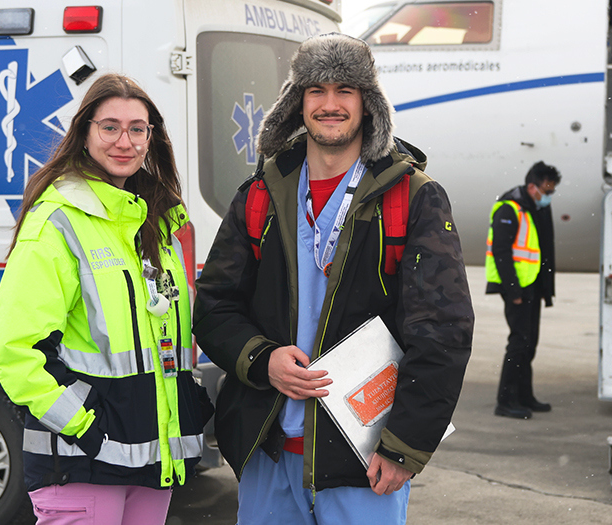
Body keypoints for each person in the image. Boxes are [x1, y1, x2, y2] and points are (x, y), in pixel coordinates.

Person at [192, 33, 473, 524]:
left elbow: (443, 333)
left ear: (368, 103)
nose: (330, 104)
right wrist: (262, 359)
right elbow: (215, 305)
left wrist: (404, 447)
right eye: (315, 90)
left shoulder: (414, 197)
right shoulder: (261, 193)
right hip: (270, 452)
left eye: (345, 90)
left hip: (363, 459)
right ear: (296, 103)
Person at [0, 74, 212, 524]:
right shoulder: (58, 221)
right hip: (82, 462)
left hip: (150, 459)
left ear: (152, 137)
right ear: (85, 133)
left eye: (137, 128)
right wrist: (88, 428)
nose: (124, 141)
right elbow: (17, 353)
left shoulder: (157, 222)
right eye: (109, 127)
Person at [486, 162, 561, 419]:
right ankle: (505, 400)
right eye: (546, 190)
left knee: (529, 344)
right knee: (518, 343)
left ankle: (525, 395)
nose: (548, 195)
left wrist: (545, 289)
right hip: (517, 288)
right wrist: (513, 289)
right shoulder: (510, 208)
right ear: (532, 187)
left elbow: (543, 250)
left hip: (533, 287)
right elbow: (501, 252)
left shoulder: (535, 207)